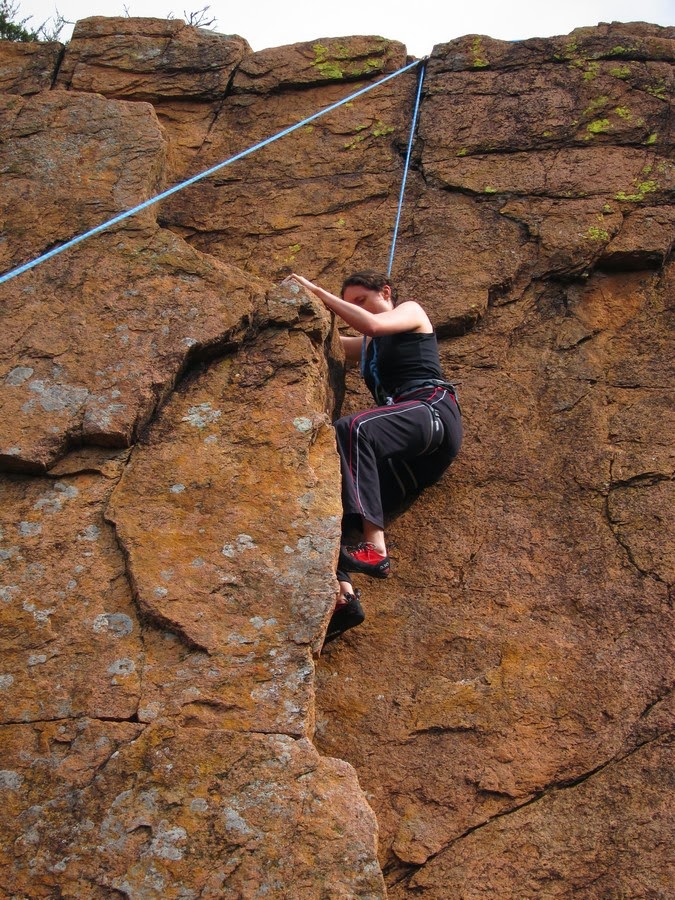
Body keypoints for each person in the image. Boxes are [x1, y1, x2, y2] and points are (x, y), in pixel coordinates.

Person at [287, 270, 462, 642]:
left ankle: (376, 549)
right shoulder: (366, 348)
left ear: (385, 292)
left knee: (354, 428)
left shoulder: (411, 313)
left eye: (360, 299)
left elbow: (371, 324)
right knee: (331, 511)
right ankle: (344, 599)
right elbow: (330, 340)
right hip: (411, 458)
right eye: (348, 303)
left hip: (429, 409)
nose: (355, 309)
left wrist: (317, 292)